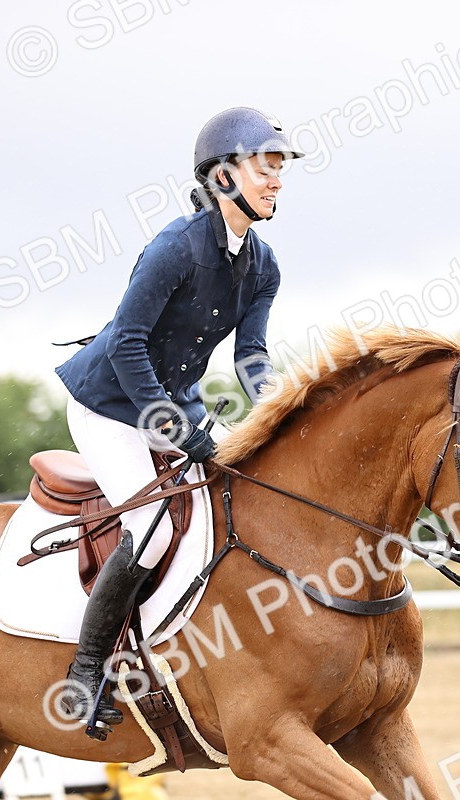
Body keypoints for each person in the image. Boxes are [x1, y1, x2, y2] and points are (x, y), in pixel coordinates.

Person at [54, 107, 302, 735]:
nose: (275, 180)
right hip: (109, 403)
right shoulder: (174, 249)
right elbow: (126, 345)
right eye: (263, 167)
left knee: (237, 498)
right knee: (153, 528)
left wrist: (281, 414)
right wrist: (172, 426)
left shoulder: (264, 264)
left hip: (174, 401)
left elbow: (250, 358)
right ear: (223, 177)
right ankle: (86, 675)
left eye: (279, 169)